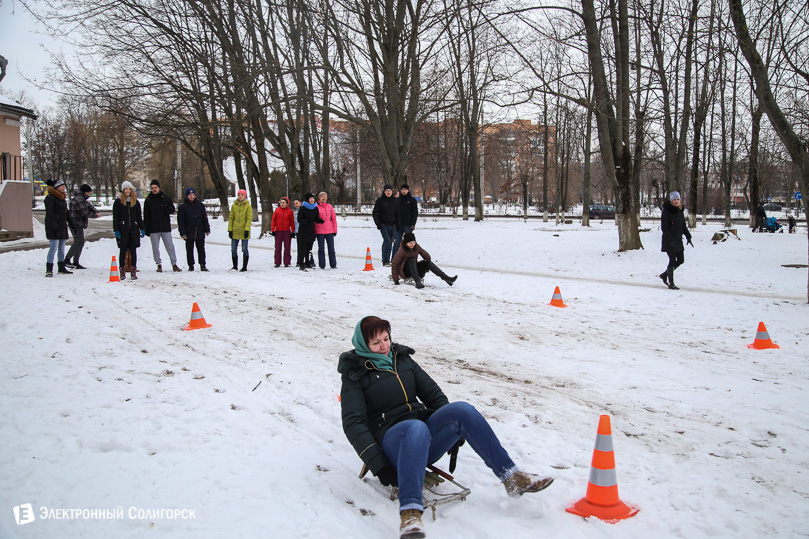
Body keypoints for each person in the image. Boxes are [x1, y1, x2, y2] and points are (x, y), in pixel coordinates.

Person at [339, 316, 553, 539]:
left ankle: (511, 477)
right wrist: (380, 467)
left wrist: (451, 427)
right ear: (364, 345)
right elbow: (353, 424)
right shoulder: (355, 374)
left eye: (386, 338)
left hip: (421, 437)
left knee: (462, 410)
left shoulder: (402, 359)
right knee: (415, 427)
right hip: (393, 445)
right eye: (376, 343)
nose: (384, 346)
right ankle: (410, 513)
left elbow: (433, 395)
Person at [391, 232, 457, 289]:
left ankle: (446, 278)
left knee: (427, 263)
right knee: (412, 260)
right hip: (405, 272)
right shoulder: (402, 250)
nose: (412, 244)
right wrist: (395, 280)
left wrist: (427, 265)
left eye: (414, 242)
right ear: (406, 243)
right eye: (410, 243)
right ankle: (418, 282)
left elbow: (427, 257)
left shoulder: (416, 247)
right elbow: (394, 264)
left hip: (415, 270)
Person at [143, 179, 181, 272]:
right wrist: (146, 228)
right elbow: (146, 215)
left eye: (155, 187)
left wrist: (165, 206)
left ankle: (174, 263)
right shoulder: (148, 200)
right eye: (152, 188)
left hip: (165, 227)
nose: (154, 189)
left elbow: (172, 210)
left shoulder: (166, 198)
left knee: (170, 246)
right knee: (155, 247)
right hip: (153, 228)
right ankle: (158, 264)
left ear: (159, 187)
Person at [659, 191, 692, 290]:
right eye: (674, 200)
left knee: (681, 260)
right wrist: (670, 240)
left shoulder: (680, 211)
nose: (676, 201)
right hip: (669, 240)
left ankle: (665, 275)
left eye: (678, 199)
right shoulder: (667, 211)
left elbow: (683, 226)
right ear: (671, 201)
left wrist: (688, 236)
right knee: (672, 260)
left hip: (678, 240)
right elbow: (664, 227)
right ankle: (671, 282)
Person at [112, 181, 145, 280]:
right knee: (122, 251)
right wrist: (116, 230)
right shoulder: (118, 202)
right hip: (123, 229)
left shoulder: (135, 202)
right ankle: (122, 270)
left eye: (129, 189)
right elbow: (116, 217)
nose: (127, 191)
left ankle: (133, 270)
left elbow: (139, 217)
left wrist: (142, 228)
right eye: (125, 189)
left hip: (133, 230)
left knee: (133, 250)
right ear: (122, 190)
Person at [65, 183, 100, 270]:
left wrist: (95, 211)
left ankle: (76, 262)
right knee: (78, 242)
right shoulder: (79, 199)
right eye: (88, 192)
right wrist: (95, 215)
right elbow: (85, 212)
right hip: (76, 223)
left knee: (80, 242)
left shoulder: (81, 199)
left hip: (77, 223)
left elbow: (89, 206)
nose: (89, 194)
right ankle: (67, 259)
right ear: (85, 192)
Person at [177, 187, 210, 271]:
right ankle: (191, 265)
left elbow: (204, 218)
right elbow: (181, 221)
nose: (191, 197)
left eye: (193, 195)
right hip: (189, 231)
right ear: (187, 196)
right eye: (190, 195)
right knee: (189, 249)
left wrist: (207, 229)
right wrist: (182, 232)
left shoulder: (200, 205)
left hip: (199, 230)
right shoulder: (183, 207)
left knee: (201, 249)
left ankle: (203, 264)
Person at [44, 179, 72, 277]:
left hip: (62, 227)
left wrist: (72, 223)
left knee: (61, 248)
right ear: (56, 187)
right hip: (54, 227)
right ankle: (49, 269)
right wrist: (54, 226)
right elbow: (50, 214)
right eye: (61, 186)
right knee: (53, 248)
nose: (64, 187)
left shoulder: (62, 198)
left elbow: (66, 213)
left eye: (64, 186)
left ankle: (61, 267)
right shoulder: (50, 198)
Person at [373, 184, 399, 266]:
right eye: (387, 191)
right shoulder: (380, 201)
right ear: (384, 191)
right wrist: (378, 223)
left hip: (393, 224)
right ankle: (386, 260)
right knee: (387, 241)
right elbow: (375, 213)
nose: (388, 192)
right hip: (383, 224)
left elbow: (397, 213)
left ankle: (392, 259)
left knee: (391, 241)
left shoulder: (395, 201)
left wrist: (398, 223)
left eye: (390, 191)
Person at [296, 192, 323, 271]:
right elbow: (299, 219)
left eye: (313, 198)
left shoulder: (315, 208)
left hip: (311, 230)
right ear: (307, 200)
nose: (312, 200)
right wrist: (306, 221)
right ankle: (301, 263)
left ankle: (308, 262)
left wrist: (320, 221)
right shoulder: (303, 208)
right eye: (310, 198)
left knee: (309, 248)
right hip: (303, 230)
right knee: (303, 248)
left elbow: (316, 218)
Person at [228, 189, 252, 272]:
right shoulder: (234, 206)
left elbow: (249, 219)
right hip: (235, 230)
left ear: (245, 196)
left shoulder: (248, 206)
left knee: (244, 249)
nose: (240, 196)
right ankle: (235, 266)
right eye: (239, 195)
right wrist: (230, 230)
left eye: (242, 195)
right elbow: (231, 218)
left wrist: (247, 230)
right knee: (233, 249)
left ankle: (244, 266)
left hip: (244, 230)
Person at [315, 191, 338, 269]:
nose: (324, 198)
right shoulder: (316, 207)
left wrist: (335, 230)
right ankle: (322, 265)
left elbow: (334, 219)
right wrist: (315, 231)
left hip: (329, 231)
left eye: (325, 196)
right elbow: (315, 220)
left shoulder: (330, 207)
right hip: (320, 231)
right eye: (322, 196)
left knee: (331, 248)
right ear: (319, 198)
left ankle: (333, 264)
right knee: (321, 248)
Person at [271, 196, 295, 267]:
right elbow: (273, 220)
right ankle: (277, 262)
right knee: (278, 248)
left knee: (287, 247)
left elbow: (292, 222)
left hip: (286, 231)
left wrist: (292, 231)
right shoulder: (277, 210)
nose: (282, 204)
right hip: (278, 231)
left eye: (283, 203)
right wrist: (273, 230)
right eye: (281, 203)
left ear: (287, 204)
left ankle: (287, 262)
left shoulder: (290, 211)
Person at [395, 184, 418, 257]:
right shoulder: (397, 200)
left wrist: (413, 224)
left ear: (408, 190)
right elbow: (394, 212)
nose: (404, 191)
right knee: (397, 242)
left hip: (408, 225)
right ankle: (395, 258)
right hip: (399, 225)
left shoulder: (412, 200)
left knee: (410, 242)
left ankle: (411, 257)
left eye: (405, 189)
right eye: (402, 190)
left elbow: (415, 212)